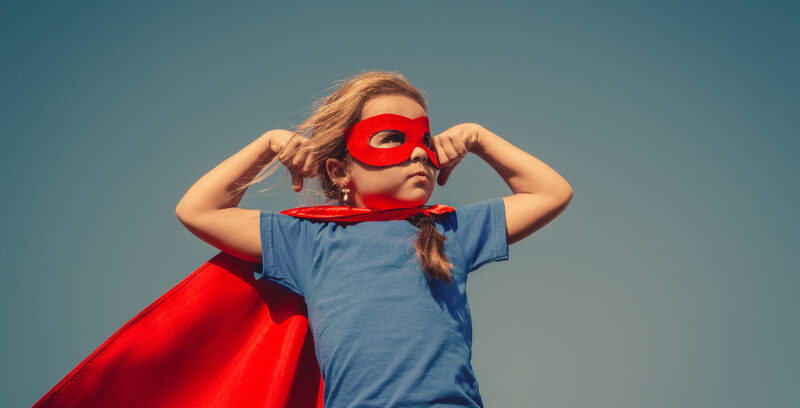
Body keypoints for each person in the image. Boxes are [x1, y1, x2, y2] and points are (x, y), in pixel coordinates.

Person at [174, 70, 573, 407]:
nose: (418, 153)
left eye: (425, 140)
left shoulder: (450, 229)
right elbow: (199, 210)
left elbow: (551, 193)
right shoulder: (310, 241)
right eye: (392, 138)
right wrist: (268, 143)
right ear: (338, 171)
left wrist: (478, 137)